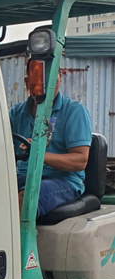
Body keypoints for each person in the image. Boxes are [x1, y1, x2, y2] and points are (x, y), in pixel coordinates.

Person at [10, 62, 92, 218]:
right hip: (23, 175)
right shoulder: (16, 113)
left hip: (62, 180)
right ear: (27, 83)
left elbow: (80, 160)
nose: (45, 86)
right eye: (38, 80)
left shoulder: (74, 111)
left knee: (26, 197)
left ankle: (20, 234)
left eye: (51, 79)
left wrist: (39, 154)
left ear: (59, 79)